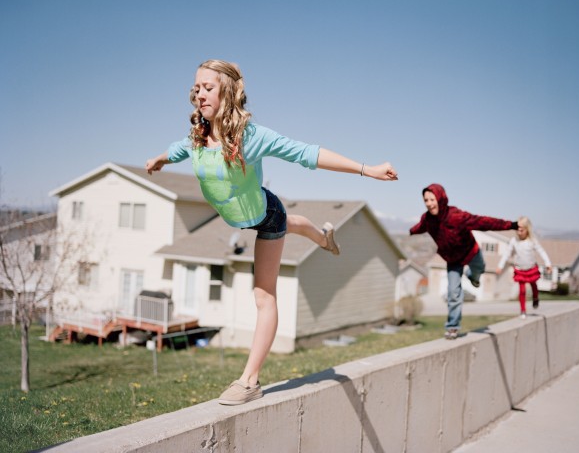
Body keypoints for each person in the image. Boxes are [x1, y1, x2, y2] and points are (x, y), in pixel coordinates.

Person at [145, 59, 398, 405]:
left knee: (264, 293)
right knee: (291, 223)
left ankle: (249, 380)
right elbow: (178, 149)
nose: (199, 95)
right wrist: (159, 159)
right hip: (245, 218)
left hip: (265, 215)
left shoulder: (252, 136)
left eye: (208, 88)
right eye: (196, 88)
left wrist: (367, 170)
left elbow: (307, 153)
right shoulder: (198, 136)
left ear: (228, 91)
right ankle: (322, 234)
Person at [409, 183, 518, 340]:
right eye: (426, 200)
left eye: (432, 199)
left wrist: (511, 225)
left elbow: (484, 222)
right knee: (453, 292)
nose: (429, 203)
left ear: (440, 198)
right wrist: (412, 231)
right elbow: (420, 226)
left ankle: (473, 276)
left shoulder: (456, 216)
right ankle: (453, 326)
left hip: (470, 252)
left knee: (480, 268)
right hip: (453, 260)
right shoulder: (427, 219)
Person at [496, 216, 552, 319]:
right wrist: (500, 265)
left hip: (531, 267)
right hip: (520, 269)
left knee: (533, 285)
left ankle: (535, 298)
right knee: (522, 291)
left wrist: (548, 263)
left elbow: (541, 251)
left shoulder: (532, 241)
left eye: (522, 230)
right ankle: (523, 310)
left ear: (527, 230)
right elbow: (507, 254)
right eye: (518, 229)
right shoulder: (514, 241)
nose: (519, 232)